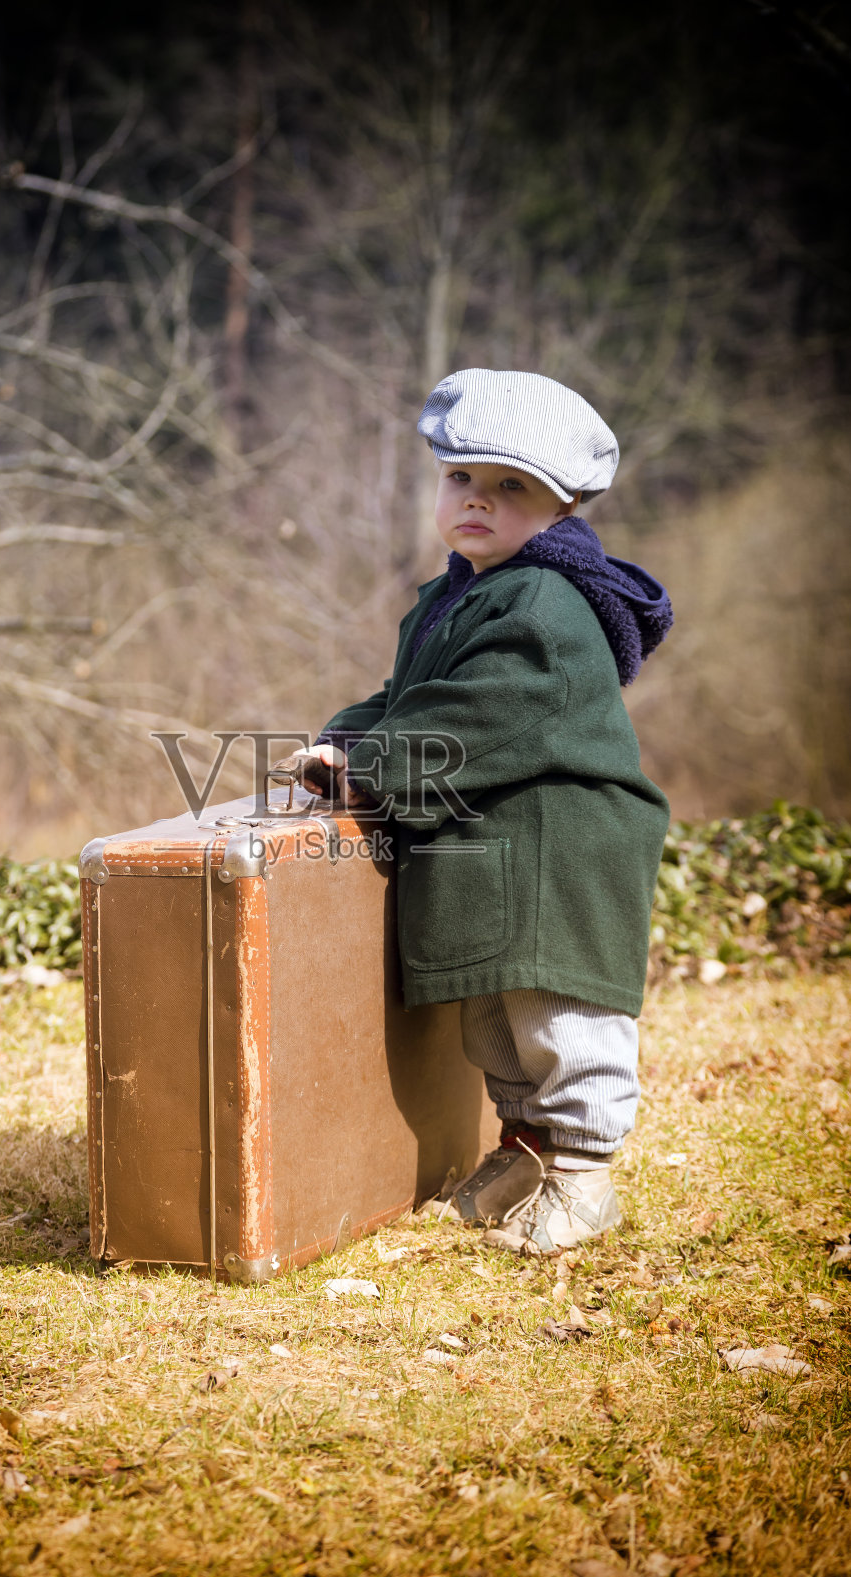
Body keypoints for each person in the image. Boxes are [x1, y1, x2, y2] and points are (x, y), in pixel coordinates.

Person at [295, 369, 673, 1254]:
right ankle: (525, 1154)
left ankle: (581, 1172)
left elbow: (478, 715)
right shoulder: (459, 590)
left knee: (557, 1012)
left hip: (560, 842)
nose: (477, 502)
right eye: (461, 479)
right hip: (496, 840)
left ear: (563, 505)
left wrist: (373, 766)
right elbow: (411, 696)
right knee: (492, 1009)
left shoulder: (542, 605)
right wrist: (347, 739)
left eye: (512, 488)